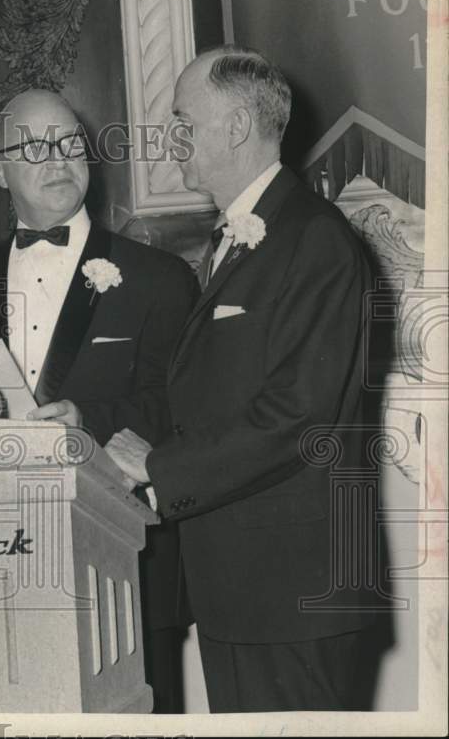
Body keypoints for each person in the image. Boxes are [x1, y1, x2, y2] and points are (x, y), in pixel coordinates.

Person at [105, 45, 377, 712]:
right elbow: (212, 394)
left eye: (182, 120)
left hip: (291, 595)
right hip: (244, 590)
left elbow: (300, 414)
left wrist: (159, 469)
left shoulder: (313, 237)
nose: (171, 138)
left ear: (233, 128)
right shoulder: (245, 236)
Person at [0, 90, 198, 712]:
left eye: (72, 143)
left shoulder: (159, 276)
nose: (58, 159)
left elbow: (183, 408)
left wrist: (90, 421)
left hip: (123, 562)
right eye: (34, 146)